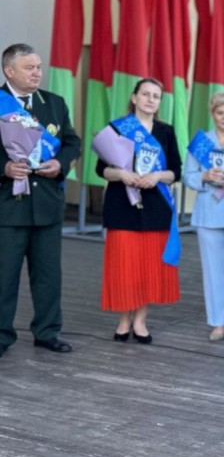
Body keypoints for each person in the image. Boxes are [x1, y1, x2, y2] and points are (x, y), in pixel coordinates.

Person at [0, 43, 81, 358]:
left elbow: (72, 142)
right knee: (4, 277)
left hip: (47, 203)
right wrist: (4, 168)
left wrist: (60, 163)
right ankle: (2, 336)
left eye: (38, 67)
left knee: (48, 276)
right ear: (9, 71)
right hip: (8, 207)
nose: (37, 73)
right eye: (29, 67)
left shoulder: (54, 103)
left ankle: (48, 332)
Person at [96, 78, 181, 344]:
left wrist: (157, 176)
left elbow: (175, 171)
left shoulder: (166, 132)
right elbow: (101, 169)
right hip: (122, 207)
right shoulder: (117, 128)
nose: (150, 99)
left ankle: (140, 321)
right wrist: (121, 174)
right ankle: (123, 321)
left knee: (148, 269)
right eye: (146, 94)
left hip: (156, 208)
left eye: (156, 96)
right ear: (134, 98)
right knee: (124, 267)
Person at [183, 91, 224, 342]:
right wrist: (203, 176)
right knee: (212, 270)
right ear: (213, 114)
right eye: (220, 112)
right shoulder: (202, 142)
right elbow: (188, 175)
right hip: (207, 213)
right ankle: (218, 322)